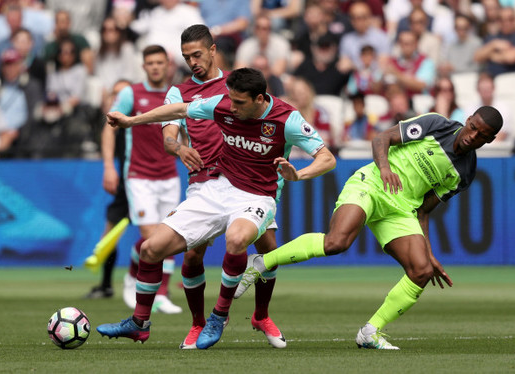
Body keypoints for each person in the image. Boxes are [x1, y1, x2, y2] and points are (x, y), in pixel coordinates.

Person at [97, 67, 336, 350]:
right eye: (230, 101)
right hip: (215, 188)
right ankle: (139, 324)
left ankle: (219, 316)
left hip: (257, 196)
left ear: (260, 98)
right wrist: (131, 121)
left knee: (238, 240)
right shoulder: (223, 104)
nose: (231, 108)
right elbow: (179, 110)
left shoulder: (287, 118)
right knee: (151, 249)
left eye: (239, 103)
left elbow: (327, 158)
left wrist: (298, 175)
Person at [236, 106, 503, 350]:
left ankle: (370, 332)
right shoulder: (437, 124)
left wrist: (429, 252)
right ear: (468, 120)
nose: (473, 135)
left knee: (421, 271)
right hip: (373, 184)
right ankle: (261, 262)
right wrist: (385, 168)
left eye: (482, 135)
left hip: (401, 209)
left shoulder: (465, 173)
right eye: (473, 127)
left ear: (489, 141)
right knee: (336, 243)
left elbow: (423, 210)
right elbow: (381, 139)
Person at [163, 24, 288, 349]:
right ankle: (198, 323)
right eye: (186, 57)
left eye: (197, 54)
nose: (192, 62)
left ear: (213, 49)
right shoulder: (179, 91)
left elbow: (272, 115)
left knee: (268, 250)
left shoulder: (238, 84)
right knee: (192, 256)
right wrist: (178, 147)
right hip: (205, 183)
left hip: (247, 181)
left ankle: (261, 315)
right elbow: (168, 135)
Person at [110, 45, 182, 314]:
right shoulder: (131, 93)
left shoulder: (175, 95)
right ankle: (133, 275)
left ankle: (162, 293)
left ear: (167, 65)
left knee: (171, 236)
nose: (155, 67)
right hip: (139, 176)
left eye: (159, 62)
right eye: (150, 62)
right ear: (144, 66)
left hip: (169, 176)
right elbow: (112, 123)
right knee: (152, 236)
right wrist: (109, 164)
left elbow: (183, 130)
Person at [85, 79, 131, 299]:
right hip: (125, 186)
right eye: (114, 94)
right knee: (109, 236)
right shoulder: (113, 127)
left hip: (146, 183)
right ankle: (106, 285)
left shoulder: (139, 122)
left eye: (122, 94)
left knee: (155, 237)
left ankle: (157, 288)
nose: (117, 99)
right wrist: (109, 168)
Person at [474, 6, 515, 77]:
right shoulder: (492, 37)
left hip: (513, 79)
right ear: (498, 21)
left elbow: (511, 58)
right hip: (491, 82)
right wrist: (494, 44)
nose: (506, 23)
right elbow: (477, 57)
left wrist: (490, 55)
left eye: (510, 19)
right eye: (502, 19)